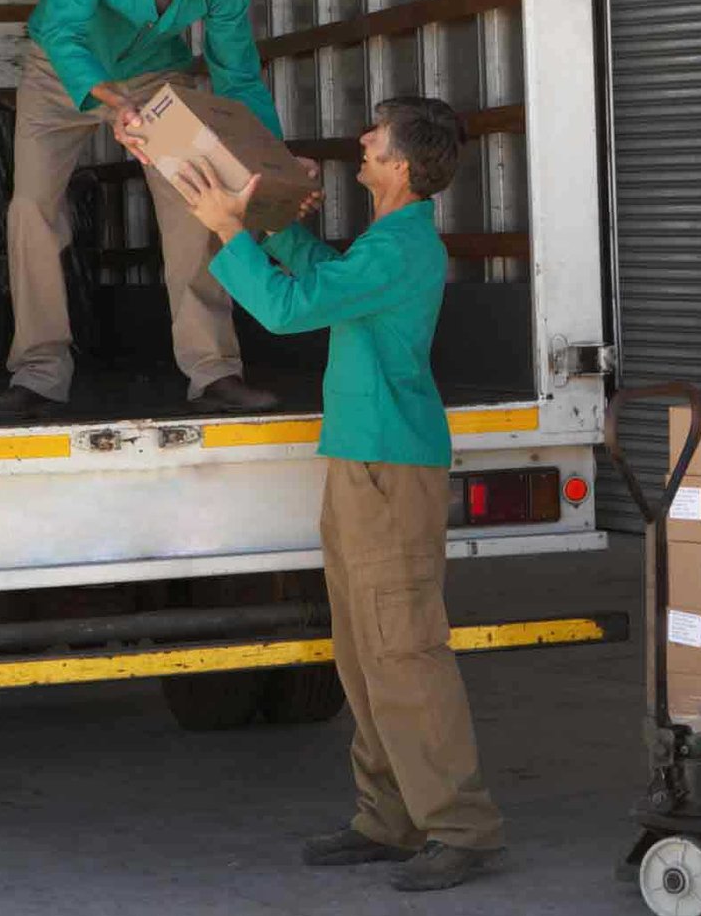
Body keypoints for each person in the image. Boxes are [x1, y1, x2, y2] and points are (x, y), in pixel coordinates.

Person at [173, 97, 506, 893]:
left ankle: (460, 827)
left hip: (388, 468)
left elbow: (291, 310)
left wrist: (230, 231)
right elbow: (327, 283)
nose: (361, 139)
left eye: (375, 136)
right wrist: (276, 228)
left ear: (400, 165)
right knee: (362, 651)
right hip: (361, 462)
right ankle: (388, 818)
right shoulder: (385, 242)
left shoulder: (401, 246)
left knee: (405, 651)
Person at [0, 0, 314, 421]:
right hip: (61, 73)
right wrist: (110, 101)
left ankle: (213, 370)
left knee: (196, 205)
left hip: (155, 78)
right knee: (32, 210)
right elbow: (62, 28)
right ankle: (39, 372)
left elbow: (237, 78)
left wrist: (272, 159)